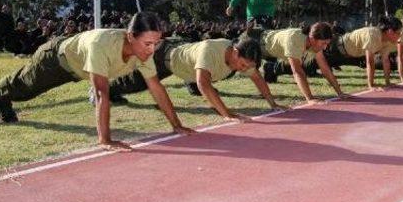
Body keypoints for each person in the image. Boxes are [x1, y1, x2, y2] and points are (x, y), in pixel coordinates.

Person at [0, 12, 193, 150]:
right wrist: (106, 139)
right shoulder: (103, 44)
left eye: (156, 43)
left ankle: (3, 102)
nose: (152, 49)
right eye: (147, 43)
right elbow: (101, 93)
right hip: (56, 59)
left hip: (76, 67)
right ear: (130, 36)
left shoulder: (144, 54)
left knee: (23, 92)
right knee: (24, 88)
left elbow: (156, 87)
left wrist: (177, 126)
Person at [105, 37, 286, 122]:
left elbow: (257, 78)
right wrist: (227, 114)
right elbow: (204, 84)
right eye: (244, 65)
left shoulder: (241, 59)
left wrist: (273, 103)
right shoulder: (210, 50)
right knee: (135, 83)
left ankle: (189, 81)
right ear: (236, 52)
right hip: (165, 58)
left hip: (188, 58)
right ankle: (104, 89)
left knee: (199, 80)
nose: (244, 70)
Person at [252, 22, 348, 103]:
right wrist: (310, 98)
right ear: (312, 38)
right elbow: (297, 71)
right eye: (323, 43)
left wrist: (340, 93)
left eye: (327, 44)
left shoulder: (315, 42)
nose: (325, 47)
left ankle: (270, 68)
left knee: (304, 65)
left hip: (269, 50)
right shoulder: (295, 40)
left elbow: (325, 68)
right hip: (255, 41)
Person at [322, 16, 402, 89]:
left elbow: (385, 61)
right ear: (390, 31)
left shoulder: (387, 41)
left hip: (347, 56)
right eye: (398, 33)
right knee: (311, 64)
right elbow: (370, 62)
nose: (400, 35)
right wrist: (371, 85)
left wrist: (388, 83)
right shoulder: (373, 35)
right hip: (335, 47)